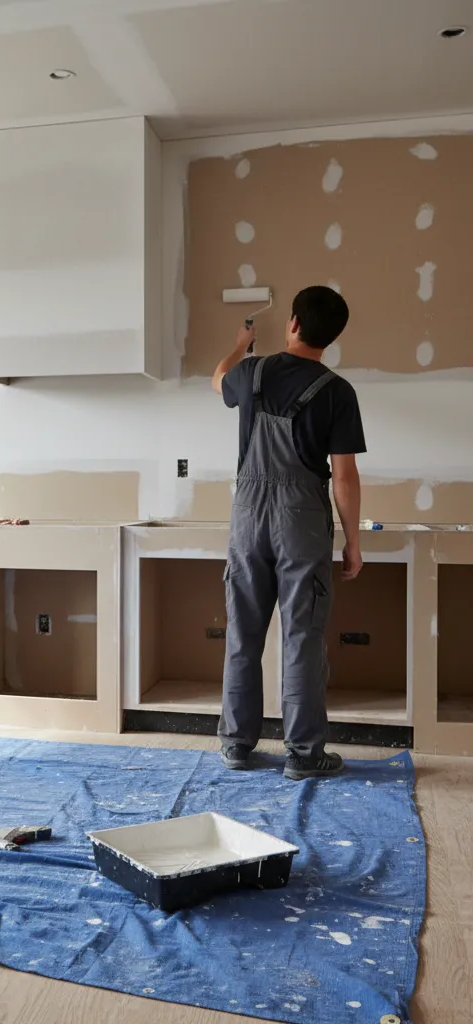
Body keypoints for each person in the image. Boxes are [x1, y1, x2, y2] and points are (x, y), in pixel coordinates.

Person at [211, 285, 365, 780]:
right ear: (331, 337)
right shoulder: (337, 391)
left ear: (293, 323)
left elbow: (217, 380)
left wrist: (240, 345)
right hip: (301, 520)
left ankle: (236, 744)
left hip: (248, 515)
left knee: (244, 631)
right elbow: (343, 476)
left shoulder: (251, 372)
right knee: (302, 635)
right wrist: (353, 541)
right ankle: (303, 755)